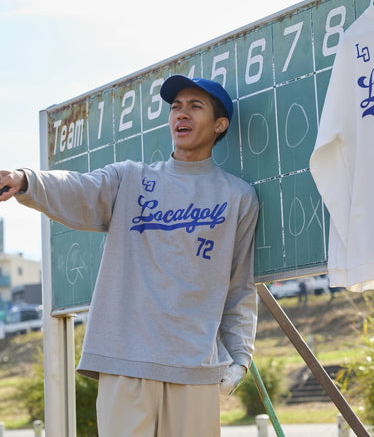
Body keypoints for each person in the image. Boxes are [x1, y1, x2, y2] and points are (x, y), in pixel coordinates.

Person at [0, 75, 260, 437]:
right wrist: (27, 180)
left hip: (195, 367)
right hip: (126, 361)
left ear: (220, 125)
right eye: (175, 107)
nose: (181, 114)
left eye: (195, 106)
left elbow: (239, 285)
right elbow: (79, 188)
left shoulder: (238, 197)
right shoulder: (130, 180)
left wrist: (241, 358)